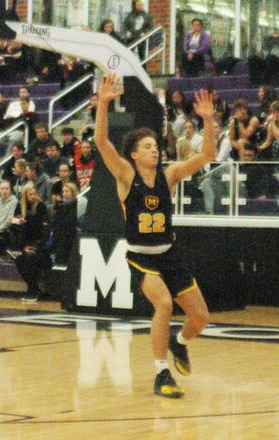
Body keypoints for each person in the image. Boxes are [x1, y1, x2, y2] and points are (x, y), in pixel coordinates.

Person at [95, 73, 216, 398]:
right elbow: (102, 143)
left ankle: (180, 344)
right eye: (147, 147)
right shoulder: (125, 175)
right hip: (140, 255)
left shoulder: (170, 175)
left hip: (168, 253)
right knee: (163, 304)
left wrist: (207, 121)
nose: (154, 150)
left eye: (155, 146)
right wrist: (103, 105)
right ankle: (161, 374)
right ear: (133, 154)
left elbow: (207, 156)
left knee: (201, 318)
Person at [9, 184, 49, 301]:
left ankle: (33, 290)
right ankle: (33, 288)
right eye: (30, 194)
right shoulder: (19, 207)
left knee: (30, 258)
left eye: (34, 194)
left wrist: (25, 222)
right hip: (23, 243)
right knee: (19, 259)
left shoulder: (41, 207)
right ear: (25, 196)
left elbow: (42, 228)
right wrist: (17, 222)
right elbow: (14, 226)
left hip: (38, 244)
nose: (32, 196)